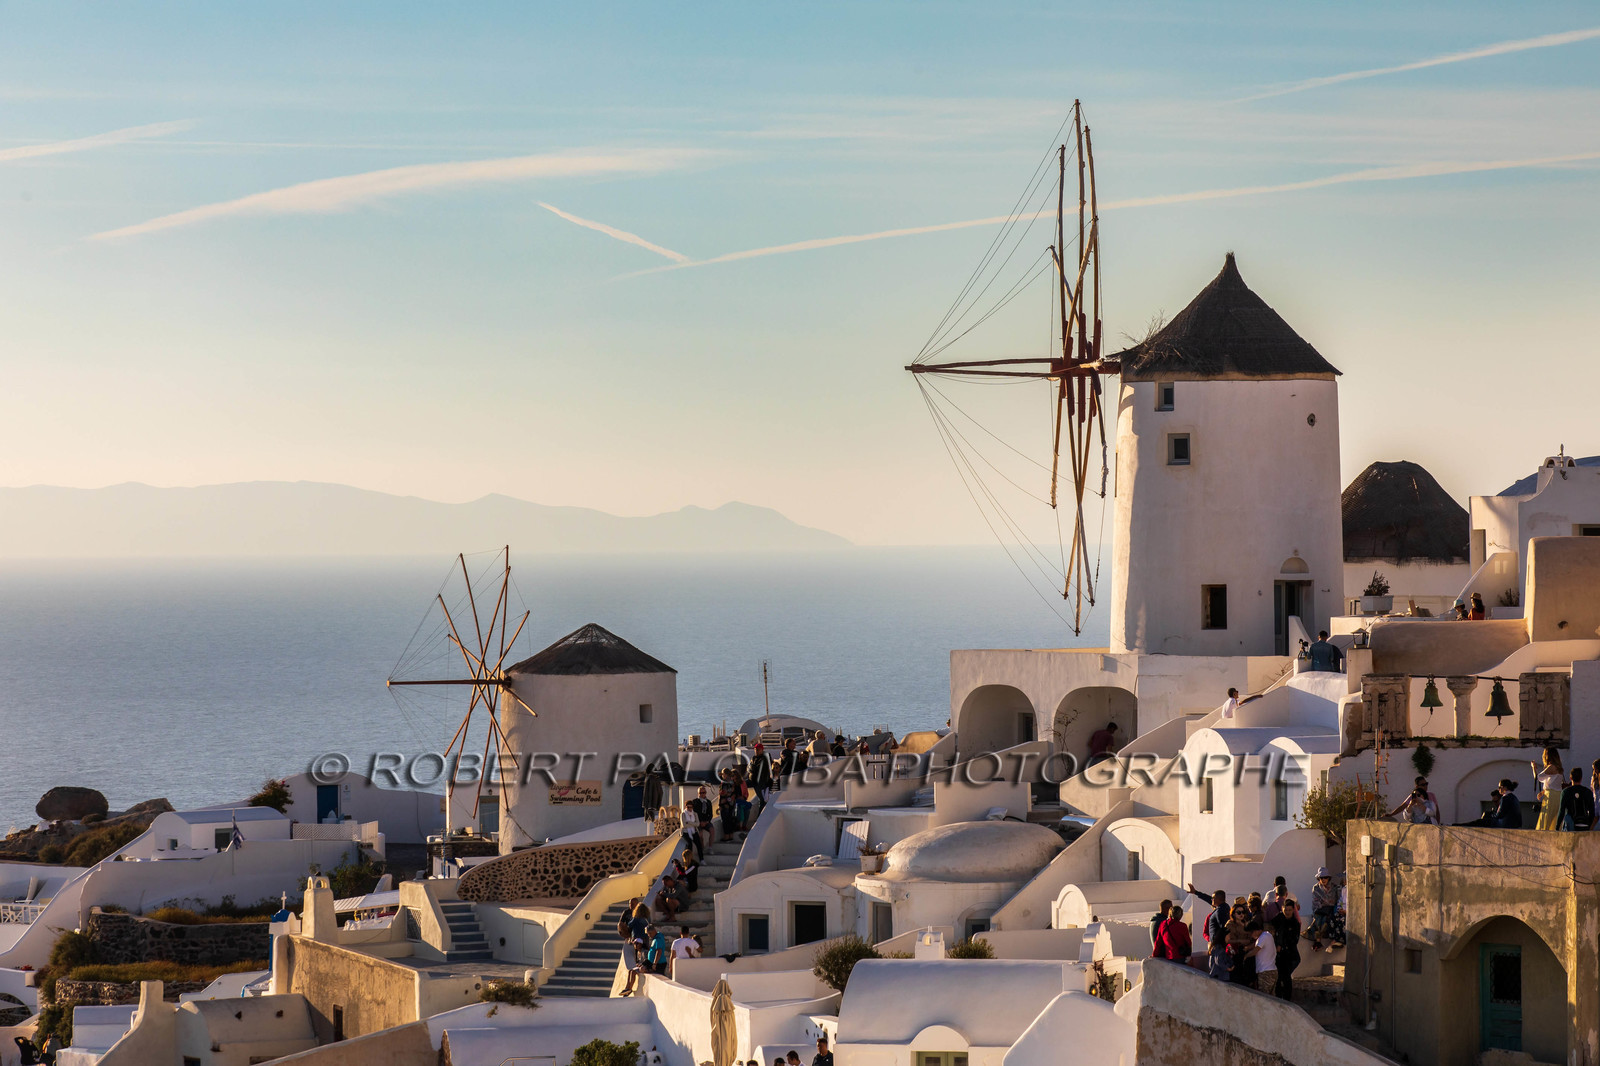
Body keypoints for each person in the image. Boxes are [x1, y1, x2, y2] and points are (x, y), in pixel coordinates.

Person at [1269, 886, 1301, 1000]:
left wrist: (1282, 946)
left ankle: (1287, 999)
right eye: (1285, 910)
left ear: (1293, 910)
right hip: (1278, 954)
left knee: (1286, 977)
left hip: (1289, 954)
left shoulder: (1294, 923)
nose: (1287, 912)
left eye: (1289, 910)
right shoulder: (1278, 919)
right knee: (1279, 978)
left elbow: (1294, 940)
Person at [1196, 888, 1229, 980]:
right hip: (1217, 943)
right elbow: (1208, 899)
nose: (1212, 900)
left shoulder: (1220, 911)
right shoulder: (1223, 907)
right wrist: (1196, 892)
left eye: (1213, 898)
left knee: (1216, 970)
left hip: (1218, 944)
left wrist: (1215, 942)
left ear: (1219, 899)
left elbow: (1223, 928)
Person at [1533, 747, 1566, 831]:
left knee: (1546, 819)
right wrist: (1543, 791)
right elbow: (1552, 783)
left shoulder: (1551, 767)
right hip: (1557, 795)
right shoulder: (1558, 768)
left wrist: (1534, 768)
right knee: (1554, 821)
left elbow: (1539, 777)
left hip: (1551, 797)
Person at [1308, 868, 1339, 951]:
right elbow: (1316, 902)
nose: (1324, 879)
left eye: (1325, 877)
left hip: (1331, 909)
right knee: (1317, 919)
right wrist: (1326, 903)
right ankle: (1317, 941)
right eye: (1322, 878)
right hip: (1319, 909)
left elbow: (1336, 900)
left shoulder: (1334, 887)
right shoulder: (1316, 888)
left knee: (1326, 920)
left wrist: (1326, 902)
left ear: (1328, 878)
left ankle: (1319, 941)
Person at [1250, 918, 1277, 994]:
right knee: (1271, 998)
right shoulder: (1267, 935)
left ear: (1255, 931)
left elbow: (1255, 950)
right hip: (1271, 970)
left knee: (1264, 997)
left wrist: (1246, 956)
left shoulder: (1263, 937)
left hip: (1266, 972)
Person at [688, 786, 715, 852]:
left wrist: (706, 822)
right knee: (700, 835)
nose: (702, 794)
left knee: (712, 830)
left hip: (706, 821)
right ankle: (702, 848)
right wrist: (699, 822)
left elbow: (710, 814)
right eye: (701, 793)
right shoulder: (695, 802)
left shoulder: (708, 802)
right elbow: (693, 813)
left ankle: (710, 847)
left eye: (704, 792)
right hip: (698, 822)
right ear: (698, 793)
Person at [619, 926, 644, 995]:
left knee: (633, 972)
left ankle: (630, 988)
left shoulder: (643, 951)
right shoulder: (637, 952)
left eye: (637, 944)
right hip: (639, 966)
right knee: (630, 970)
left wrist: (639, 965)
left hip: (644, 967)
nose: (635, 945)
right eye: (635, 944)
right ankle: (627, 987)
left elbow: (644, 961)